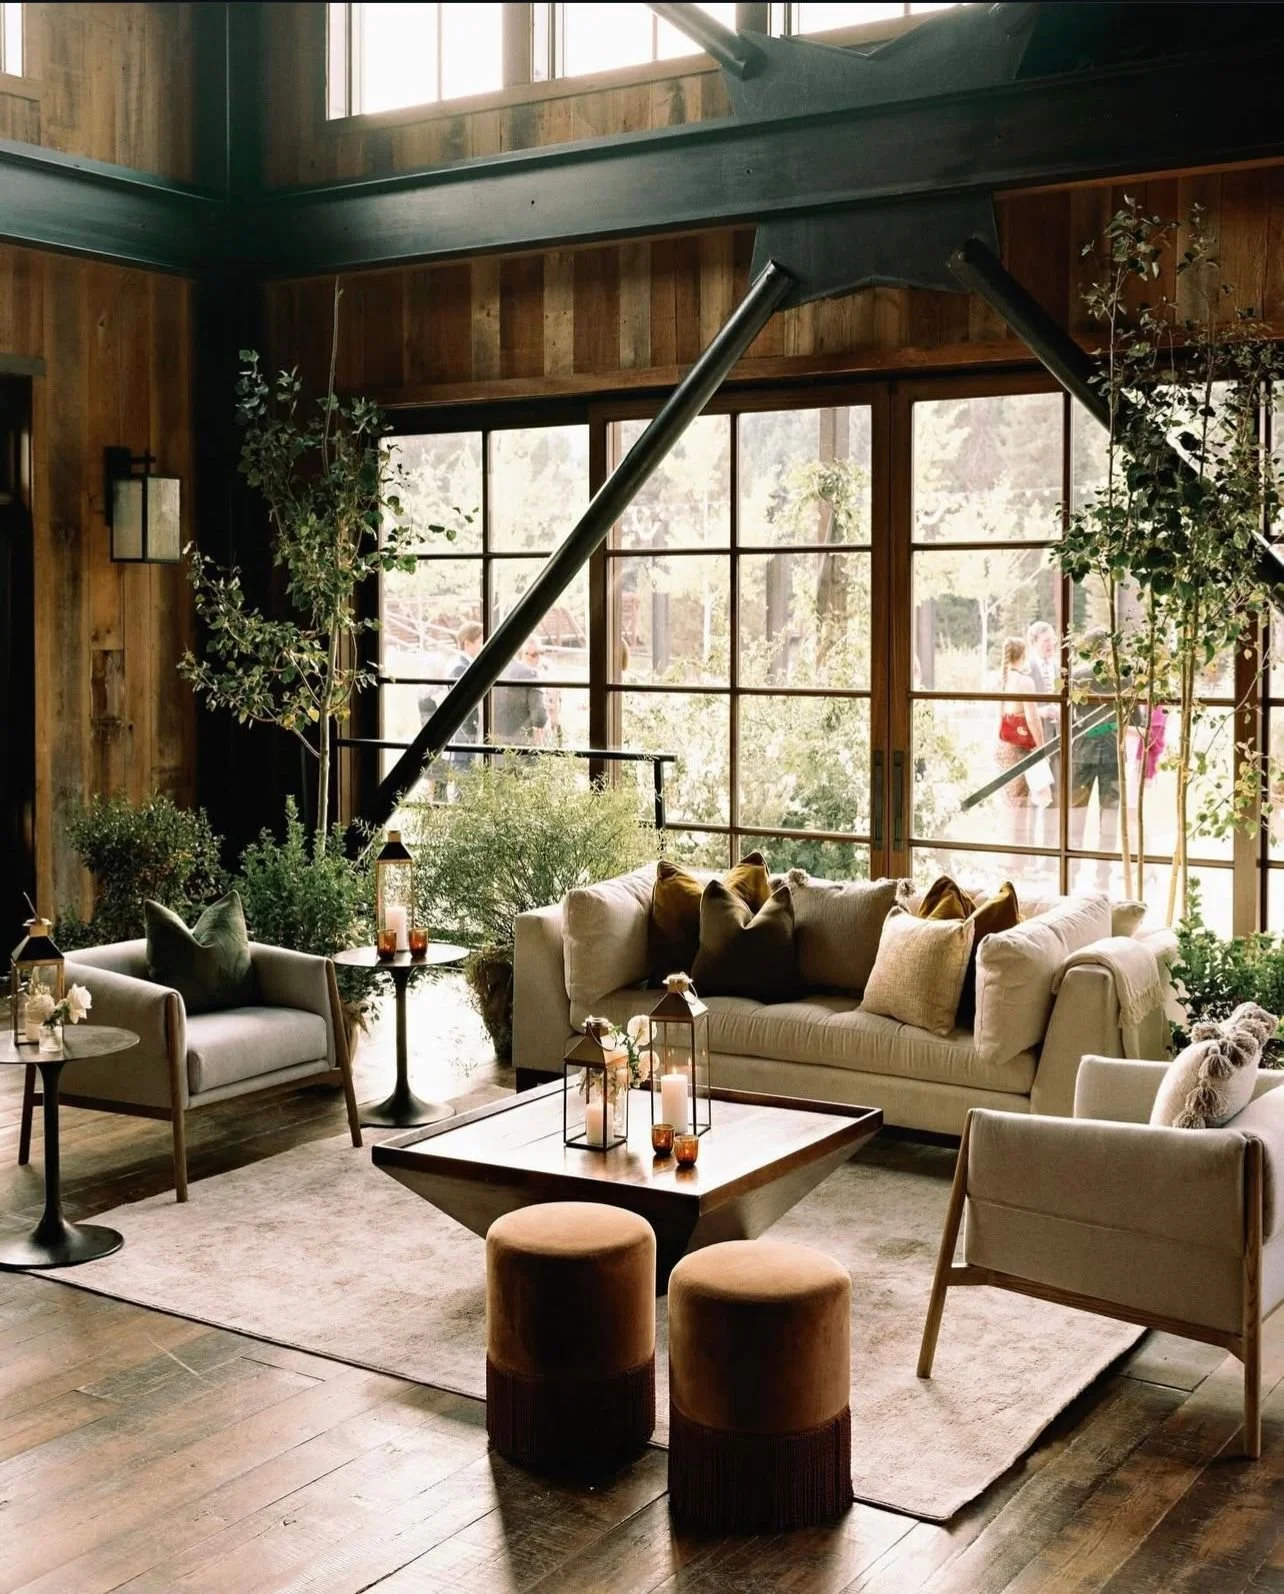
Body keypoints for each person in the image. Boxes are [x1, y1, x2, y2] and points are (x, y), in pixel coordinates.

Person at [1068, 629, 1122, 886]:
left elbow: (1069, 718)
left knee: (1075, 817)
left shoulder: (1077, 675)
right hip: (1112, 755)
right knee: (1108, 818)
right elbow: (1135, 720)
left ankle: (1071, 870)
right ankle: (1104, 876)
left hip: (1082, 754)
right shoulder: (1123, 677)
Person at [994, 637, 1044, 847]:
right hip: (1019, 747)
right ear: (1023, 656)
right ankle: (1016, 860)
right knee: (1020, 805)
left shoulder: (1001, 680)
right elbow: (1032, 717)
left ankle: (1009, 854)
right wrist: (1042, 747)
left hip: (1003, 746)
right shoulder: (1024, 682)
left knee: (1009, 803)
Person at [424, 619, 483, 768]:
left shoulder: (461, 665)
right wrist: (474, 736)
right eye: (481, 641)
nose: (484, 646)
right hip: (465, 742)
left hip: (466, 741)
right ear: (468, 643)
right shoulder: (460, 668)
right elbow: (463, 707)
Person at [493, 636, 549, 747]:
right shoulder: (531, 675)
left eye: (540, 653)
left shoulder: (492, 669)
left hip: (491, 745)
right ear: (521, 653)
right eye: (533, 654)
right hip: (521, 748)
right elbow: (539, 719)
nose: (538, 658)